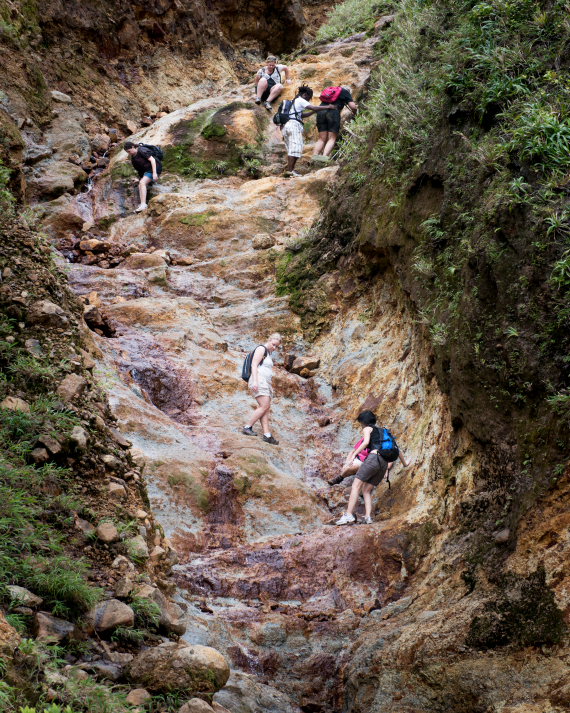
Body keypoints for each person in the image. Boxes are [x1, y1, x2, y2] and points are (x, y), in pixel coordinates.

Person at [334, 410, 410, 525]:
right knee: (366, 490)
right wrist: (405, 464)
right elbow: (397, 449)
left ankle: (348, 515)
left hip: (374, 458)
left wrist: (354, 455)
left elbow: (365, 442)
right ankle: (368, 517)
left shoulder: (367, 429)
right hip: (383, 463)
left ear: (363, 422)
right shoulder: (385, 431)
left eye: (361, 423)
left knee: (356, 486)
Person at [242, 333, 282, 445]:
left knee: (265, 407)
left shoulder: (268, 353)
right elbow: (254, 365)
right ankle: (247, 427)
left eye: (277, 346)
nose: (274, 347)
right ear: (269, 340)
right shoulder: (261, 349)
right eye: (273, 344)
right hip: (259, 381)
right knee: (264, 406)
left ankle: (267, 434)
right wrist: (255, 381)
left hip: (265, 382)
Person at [280, 86, 330, 177]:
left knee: (294, 148)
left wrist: (312, 113)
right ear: (304, 94)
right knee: (295, 148)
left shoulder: (294, 101)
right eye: (308, 98)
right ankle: (290, 171)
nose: (309, 100)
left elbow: (300, 115)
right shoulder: (300, 100)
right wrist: (329, 106)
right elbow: (313, 107)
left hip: (287, 126)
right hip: (293, 126)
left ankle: (291, 170)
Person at [313, 87, 357, 160]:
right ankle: (323, 159)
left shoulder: (331, 91)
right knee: (332, 138)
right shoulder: (345, 92)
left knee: (321, 139)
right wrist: (355, 113)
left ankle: (314, 158)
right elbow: (353, 107)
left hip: (321, 111)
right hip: (333, 113)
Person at [124, 141, 162, 212]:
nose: (129, 153)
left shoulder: (141, 150)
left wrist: (154, 173)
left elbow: (153, 160)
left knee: (142, 183)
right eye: (127, 152)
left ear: (133, 147)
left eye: (129, 151)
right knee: (140, 184)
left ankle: (143, 205)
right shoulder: (133, 158)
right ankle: (142, 203)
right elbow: (140, 170)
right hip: (147, 171)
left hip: (155, 168)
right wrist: (140, 179)